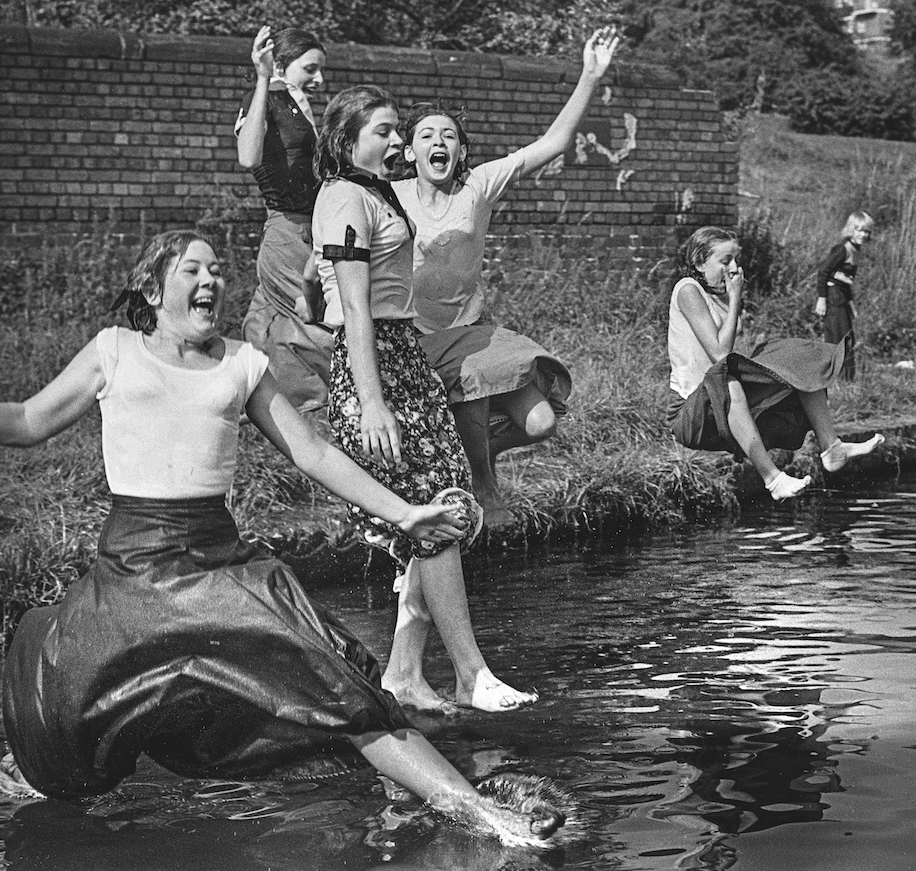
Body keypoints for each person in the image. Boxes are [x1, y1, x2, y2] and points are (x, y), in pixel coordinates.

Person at [0, 230, 563, 844]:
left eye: (217, 270)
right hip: (131, 567)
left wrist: (404, 513)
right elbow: (30, 421)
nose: (211, 280)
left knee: (340, 688)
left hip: (217, 564)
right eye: (192, 270)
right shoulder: (113, 351)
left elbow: (313, 450)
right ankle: (26, 782)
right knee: (60, 696)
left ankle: (487, 816)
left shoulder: (242, 362)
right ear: (152, 287)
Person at [312, 85, 538, 715]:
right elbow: (354, 307)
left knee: (440, 500)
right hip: (378, 363)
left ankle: (405, 674)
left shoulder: (375, 192)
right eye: (384, 132)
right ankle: (471, 673)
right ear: (346, 138)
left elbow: (318, 281)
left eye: (395, 132)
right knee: (436, 510)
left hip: (403, 355)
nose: (396, 142)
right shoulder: (344, 197)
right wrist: (371, 398)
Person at [391, 27, 620, 527]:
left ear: (460, 151)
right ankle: (485, 488)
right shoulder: (390, 196)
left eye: (448, 136)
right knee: (472, 382)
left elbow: (553, 143)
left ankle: (468, 453)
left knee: (541, 424)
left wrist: (589, 75)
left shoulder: (477, 185)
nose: (438, 142)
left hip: (473, 329)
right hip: (419, 338)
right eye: (426, 135)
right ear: (408, 151)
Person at [667, 226, 884, 499]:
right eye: (725, 261)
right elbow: (721, 355)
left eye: (736, 259)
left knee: (798, 358)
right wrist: (735, 299)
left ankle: (831, 447)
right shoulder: (688, 289)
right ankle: (773, 479)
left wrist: (731, 299)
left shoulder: (717, 295)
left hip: (717, 401)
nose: (734, 268)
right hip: (689, 412)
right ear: (699, 262)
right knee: (729, 380)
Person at [236, 25, 334, 413]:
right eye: (310, 69)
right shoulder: (265, 98)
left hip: (309, 228)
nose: (320, 79)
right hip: (289, 231)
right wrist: (261, 79)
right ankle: (346, 394)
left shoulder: (295, 103)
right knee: (312, 320)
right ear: (281, 65)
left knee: (262, 323)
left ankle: (258, 404)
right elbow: (248, 157)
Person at [815, 211, 874, 381]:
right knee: (838, 337)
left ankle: (846, 378)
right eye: (859, 230)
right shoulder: (842, 249)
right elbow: (823, 271)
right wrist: (822, 299)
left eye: (867, 231)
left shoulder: (857, 250)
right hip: (832, 298)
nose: (863, 235)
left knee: (848, 337)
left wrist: (852, 307)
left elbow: (846, 283)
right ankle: (833, 378)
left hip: (841, 297)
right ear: (851, 229)